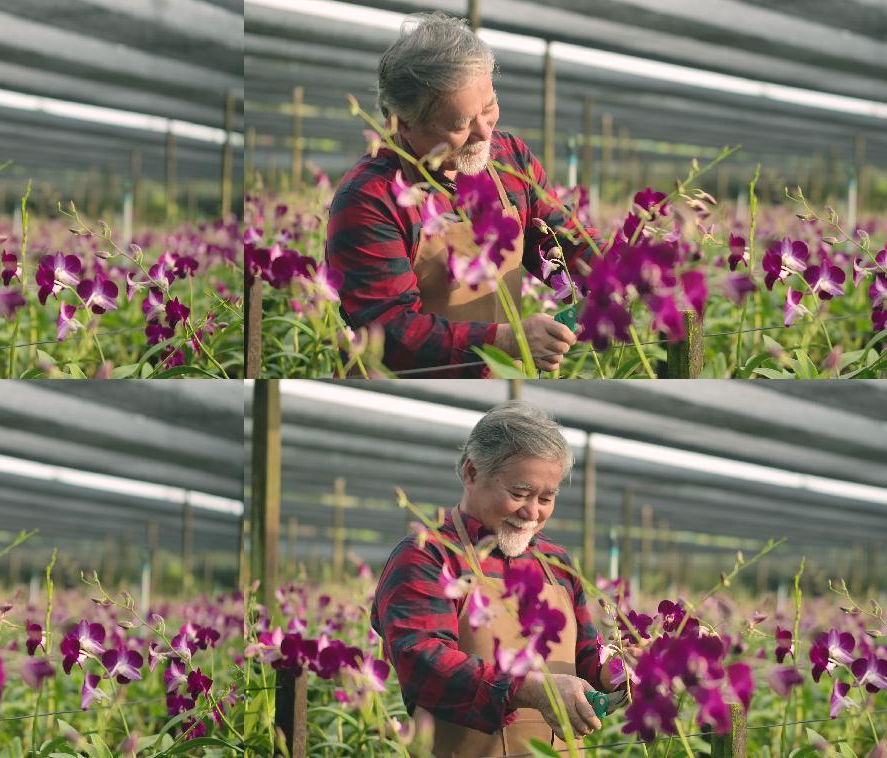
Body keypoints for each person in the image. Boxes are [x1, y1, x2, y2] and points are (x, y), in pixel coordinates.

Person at [327, 13, 597, 377]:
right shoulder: (370, 197)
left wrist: (613, 267)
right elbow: (390, 329)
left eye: (489, 108)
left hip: (503, 378)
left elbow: (558, 237)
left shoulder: (508, 159)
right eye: (460, 123)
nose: (485, 133)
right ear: (402, 123)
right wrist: (507, 341)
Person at [371, 401, 625, 756]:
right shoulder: (427, 556)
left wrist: (624, 669)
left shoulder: (556, 562)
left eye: (546, 498)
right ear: (472, 473)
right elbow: (423, 662)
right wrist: (535, 690)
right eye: (519, 494)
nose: (532, 512)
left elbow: (586, 653)